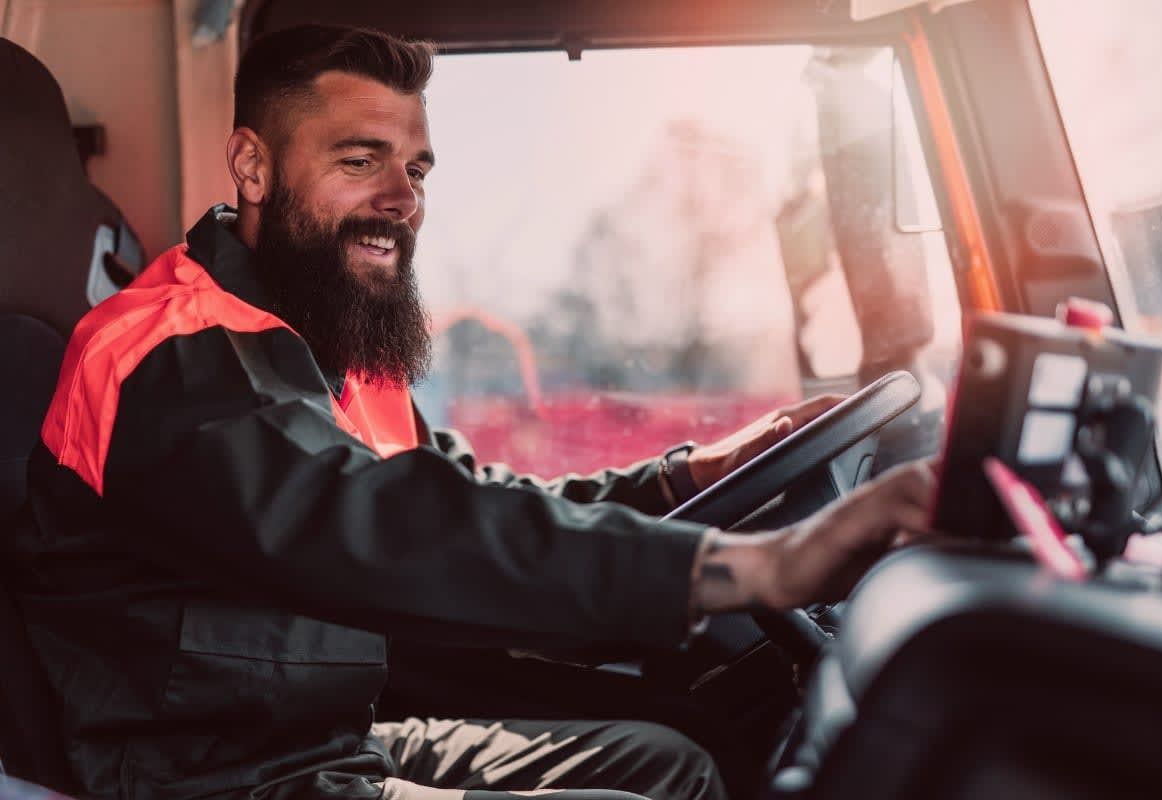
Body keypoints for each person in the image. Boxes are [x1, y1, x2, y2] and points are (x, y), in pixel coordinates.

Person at [7, 25, 935, 800]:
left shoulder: (328, 342)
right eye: (359, 160)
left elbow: (464, 494)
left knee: (672, 762)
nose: (401, 198)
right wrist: (752, 565)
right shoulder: (164, 358)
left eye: (415, 168)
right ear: (253, 167)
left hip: (325, 742)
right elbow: (378, 528)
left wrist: (687, 476)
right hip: (199, 774)